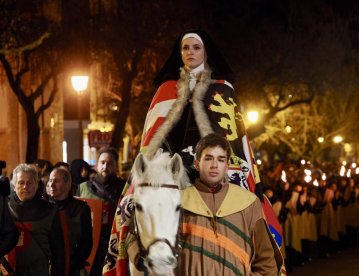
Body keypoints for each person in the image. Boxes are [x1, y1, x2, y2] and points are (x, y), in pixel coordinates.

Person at [103, 30, 283, 275]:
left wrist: (211, 160)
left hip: (218, 162)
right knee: (129, 207)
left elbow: (235, 138)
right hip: (170, 166)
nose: (191, 53)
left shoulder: (223, 89)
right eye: (186, 48)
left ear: (205, 52)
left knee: (252, 204)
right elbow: (153, 140)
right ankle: (132, 257)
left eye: (196, 48)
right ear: (180, 53)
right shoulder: (165, 90)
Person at [179, 133, 284, 275]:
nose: (214, 165)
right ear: (197, 164)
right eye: (208, 158)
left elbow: (266, 261)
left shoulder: (248, 202)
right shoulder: (178, 202)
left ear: (227, 166)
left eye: (221, 160)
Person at [8, 163, 65, 275]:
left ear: (37, 185)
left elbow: (58, 251)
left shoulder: (50, 211)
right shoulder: (6, 209)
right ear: (14, 186)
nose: (25, 187)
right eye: (21, 183)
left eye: (30, 182)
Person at [79, 147, 124, 276]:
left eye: (110, 163)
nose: (105, 166)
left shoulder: (124, 188)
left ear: (116, 166)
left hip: (114, 243)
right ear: (97, 165)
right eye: (102, 162)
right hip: (90, 245)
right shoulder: (84, 188)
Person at [48, 167, 93, 276]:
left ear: (68, 184)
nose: (51, 185)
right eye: (50, 180)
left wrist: (69, 265)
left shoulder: (81, 209)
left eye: (56, 181)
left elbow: (86, 244)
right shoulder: (45, 208)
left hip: (72, 268)